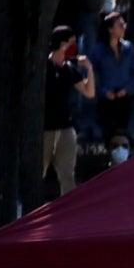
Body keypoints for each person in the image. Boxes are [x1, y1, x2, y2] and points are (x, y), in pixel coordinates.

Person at [40, 27, 96, 198]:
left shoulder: (69, 69)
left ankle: (68, 211)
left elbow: (89, 92)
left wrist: (90, 69)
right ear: (63, 44)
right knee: (39, 172)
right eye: (72, 42)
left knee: (68, 175)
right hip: (45, 129)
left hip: (65, 128)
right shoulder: (45, 67)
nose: (74, 46)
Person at [86, 7, 134, 158]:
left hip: (124, 98)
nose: (123, 28)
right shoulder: (98, 50)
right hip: (107, 99)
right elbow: (90, 74)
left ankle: (123, 162)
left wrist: (128, 88)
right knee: (109, 133)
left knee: (123, 132)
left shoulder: (128, 48)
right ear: (110, 30)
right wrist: (103, 91)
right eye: (120, 25)